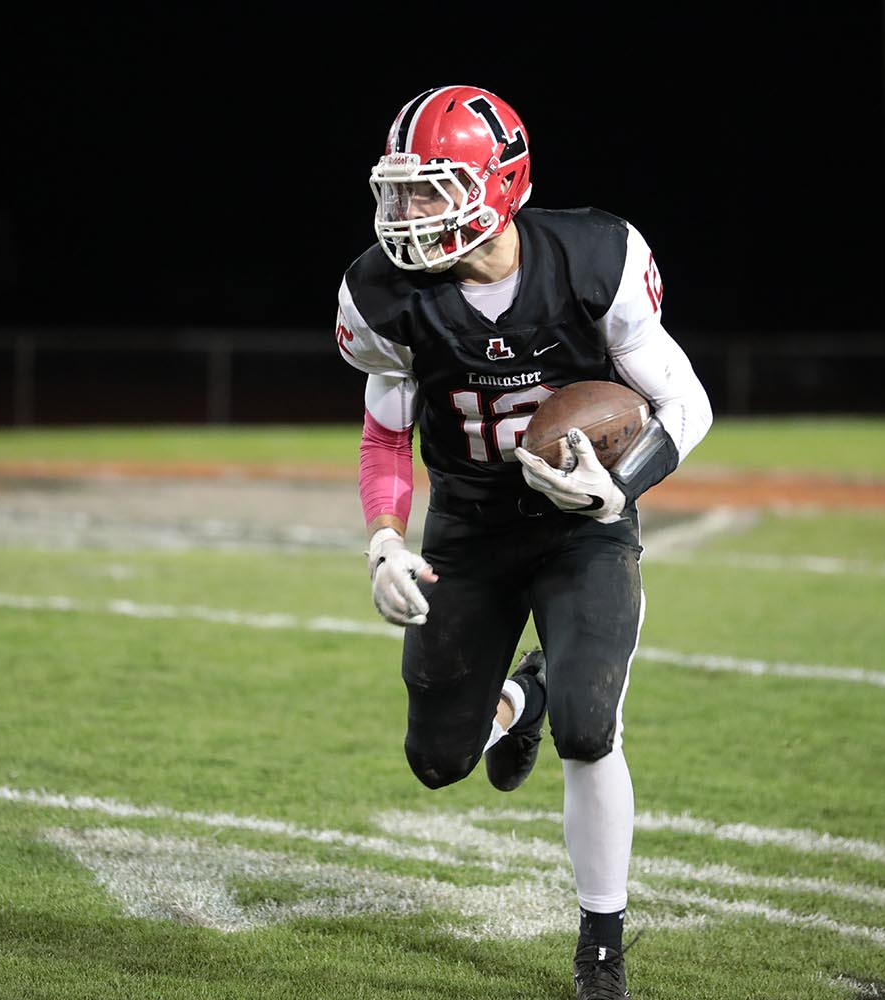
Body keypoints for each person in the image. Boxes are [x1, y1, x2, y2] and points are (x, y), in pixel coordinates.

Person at [333, 84, 713, 1000]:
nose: (409, 214)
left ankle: (602, 948)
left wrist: (614, 485)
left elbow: (685, 404)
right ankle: (521, 697)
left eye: (432, 190)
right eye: (401, 191)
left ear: (501, 185)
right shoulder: (382, 296)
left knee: (593, 730)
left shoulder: (593, 256)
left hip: (582, 524)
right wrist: (385, 540)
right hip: (468, 528)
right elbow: (386, 434)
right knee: (438, 762)